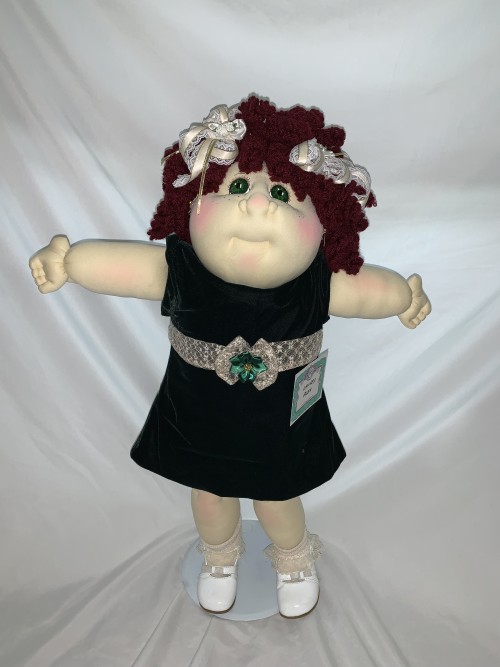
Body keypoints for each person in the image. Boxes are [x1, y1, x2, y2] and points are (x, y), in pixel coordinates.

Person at [29, 95, 431, 619]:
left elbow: (366, 291)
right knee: (209, 497)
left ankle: (294, 560)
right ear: (190, 205)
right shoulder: (183, 269)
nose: (258, 204)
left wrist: (403, 297)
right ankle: (219, 557)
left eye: (282, 194)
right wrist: (71, 262)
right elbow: (126, 266)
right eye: (237, 187)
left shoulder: (316, 284)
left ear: (325, 225)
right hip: (200, 418)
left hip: (280, 427)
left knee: (277, 499)